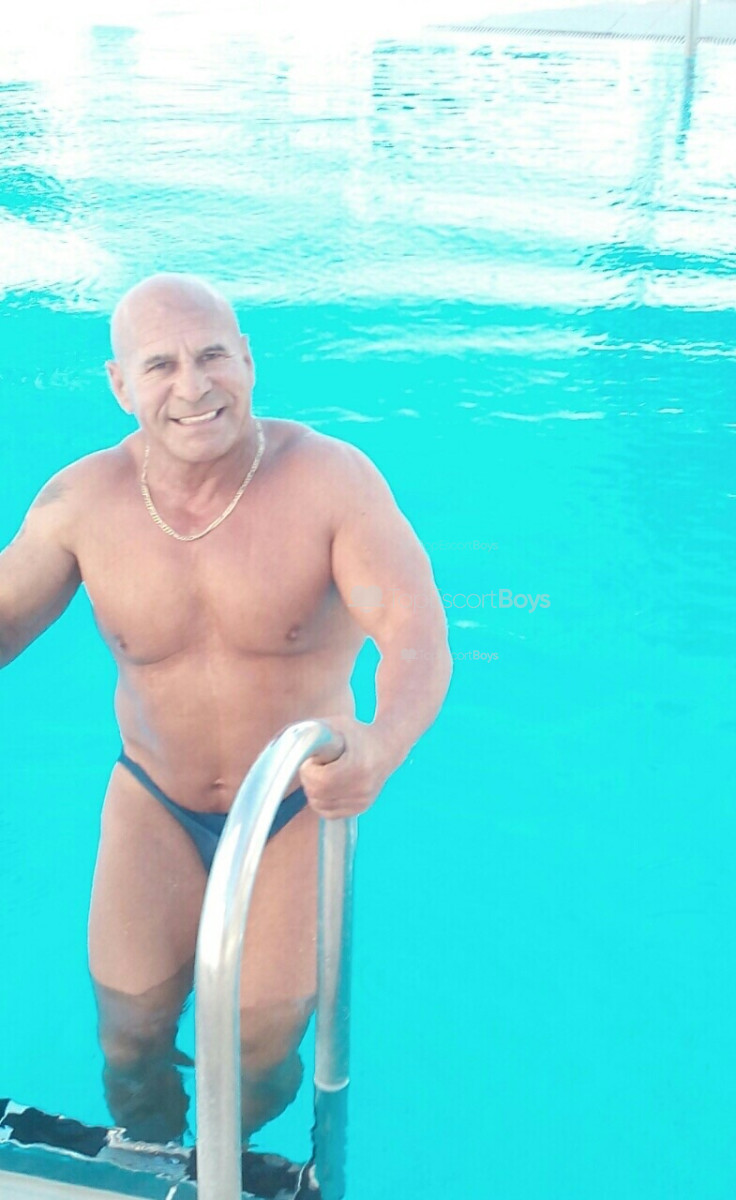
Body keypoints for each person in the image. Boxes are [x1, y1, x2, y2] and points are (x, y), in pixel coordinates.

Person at [0, 273, 452, 1145]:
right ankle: (146, 1162)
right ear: (120, 385)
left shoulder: (330, 483)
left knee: (255, 1052)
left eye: (212, 356)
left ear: (248, 360)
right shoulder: (82, 503)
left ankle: (228, 1165)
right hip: (154, 800)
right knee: (129, 1038)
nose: (193, 386)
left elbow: (417, 636)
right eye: (160, 365)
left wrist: (382, 744)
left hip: (293, 804)